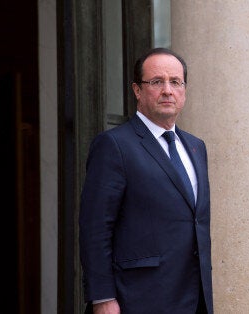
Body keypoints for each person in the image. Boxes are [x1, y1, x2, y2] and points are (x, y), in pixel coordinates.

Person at [79, 47, 213, 314]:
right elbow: (95, 228)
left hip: (194, 299)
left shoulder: (196, 147)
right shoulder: (115, 145)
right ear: (137, 90)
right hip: (138, 299)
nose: (167, 90)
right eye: (156, 82)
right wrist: (102, 297)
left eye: (175, 82)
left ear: (184, 90)